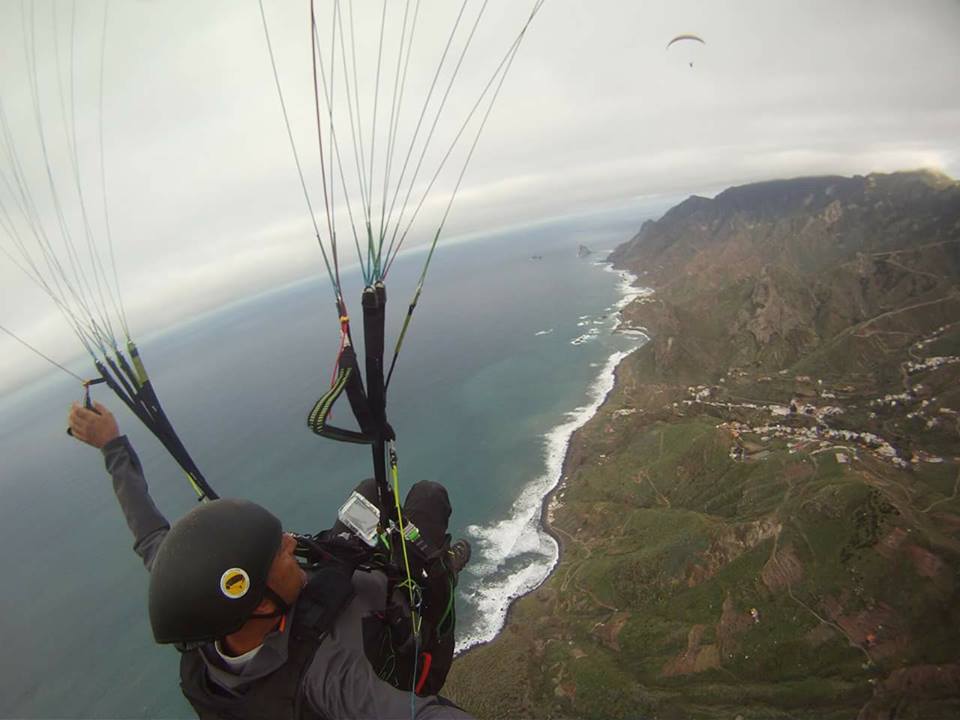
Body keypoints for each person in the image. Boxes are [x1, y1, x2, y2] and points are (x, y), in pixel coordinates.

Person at [68, 401, 474, 719]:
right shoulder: (324, 675)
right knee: (427, 496)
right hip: (401, 608)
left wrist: (112, 445)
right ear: (261, 602)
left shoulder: (199, 607)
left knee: (371, 491)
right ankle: (444, 569)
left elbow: (151, 536)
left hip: (342, 571)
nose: (286, 542)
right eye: (276, 553)